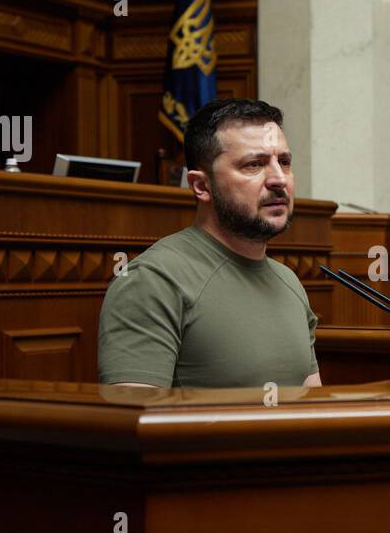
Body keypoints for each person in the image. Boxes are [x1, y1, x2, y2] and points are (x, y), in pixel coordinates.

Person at [97, 98, 320, 389]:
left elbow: (311, 408)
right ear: (201, 186)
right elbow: (132, 422)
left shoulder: (289, 281)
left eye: (285, 162)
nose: (279, 179)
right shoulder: (151, 280)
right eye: (254, 164)